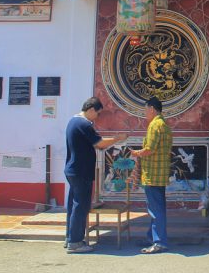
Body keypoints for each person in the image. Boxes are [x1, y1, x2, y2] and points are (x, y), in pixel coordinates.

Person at [64, 97, 127, 253]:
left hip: (73, 170)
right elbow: (99, 143)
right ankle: (75, 243)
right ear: (91, 109)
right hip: (81, 171)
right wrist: (117, 138)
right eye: (98, 113)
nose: (97, 117)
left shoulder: (73, 121)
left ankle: (71, 237)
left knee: (73, 205)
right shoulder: (84, 124)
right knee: (81, 206)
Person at [130, 97, 173, 253]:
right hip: (160, 174)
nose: (145, 113)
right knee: (157, 208)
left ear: (152, 109)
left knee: (156, 210)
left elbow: (150, 149)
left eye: (146, 109)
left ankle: (159, 242)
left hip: (152, 174)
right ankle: (151, 237)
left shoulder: (154, 125)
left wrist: (136, 153)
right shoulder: (165, 125)